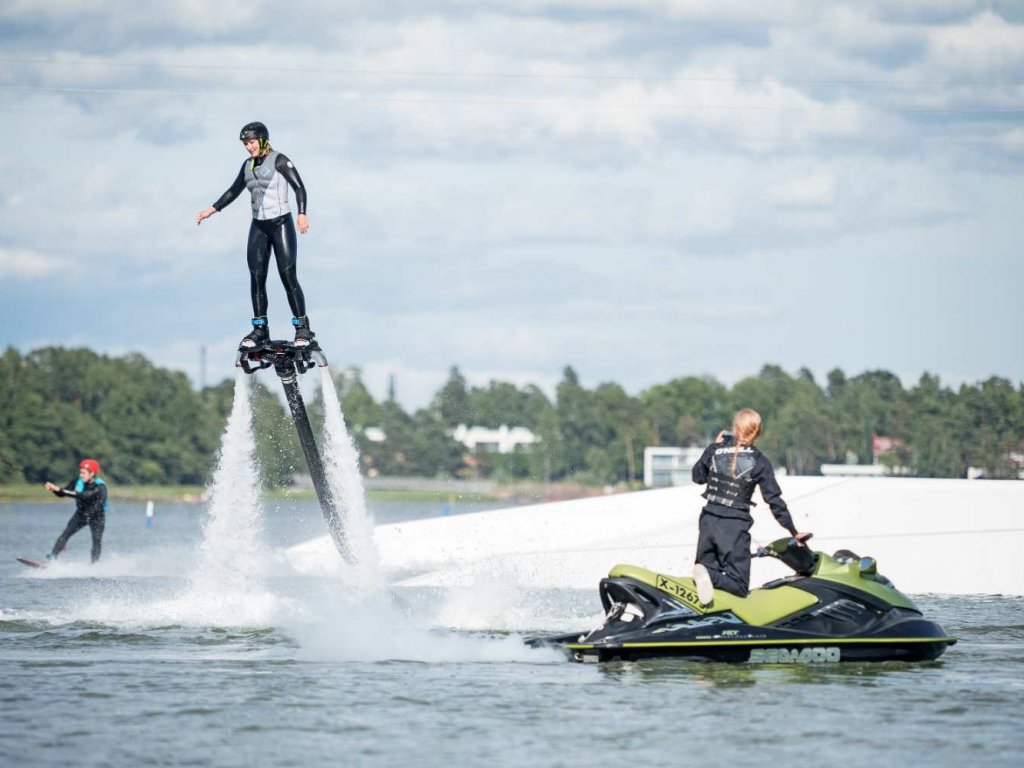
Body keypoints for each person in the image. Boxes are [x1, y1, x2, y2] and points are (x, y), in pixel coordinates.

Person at [195, 121, 315, 348]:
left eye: (251, 142)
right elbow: (233, 190)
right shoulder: (247, 166)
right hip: (259, 226)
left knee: (287, 275)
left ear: (262, 140)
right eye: (245, 144)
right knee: (257, 277)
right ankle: (260, 329)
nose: (249, 147)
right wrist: (211, 210)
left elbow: (299, 187)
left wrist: (302, 214)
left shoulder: (279, 160)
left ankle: (302, 327)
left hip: (281, 223)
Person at [690, 409, 811, 605]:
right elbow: (775, 502)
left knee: (706, 581)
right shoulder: (760, 460)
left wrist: (715, 445)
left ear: (735, 428)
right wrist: (793, 531)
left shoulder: (714, 450)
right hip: (734, 527)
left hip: (708, 522)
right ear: (758, 432)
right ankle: (710, 575)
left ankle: (707, 576)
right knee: (738, 584)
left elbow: (697, 477)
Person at [44, 458, 108, 563]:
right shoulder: (78, 481)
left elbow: (83, 495)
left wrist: (59, 489)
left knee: (97, 541)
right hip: (81, 514)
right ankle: (53, 558)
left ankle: (94, 565)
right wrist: (53, 489)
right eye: (80, 472)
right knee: (66, 534)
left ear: (92, 474)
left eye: (84, 473)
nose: (81, 475)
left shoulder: (100, 487)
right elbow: (63, 493)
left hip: (97, 516)